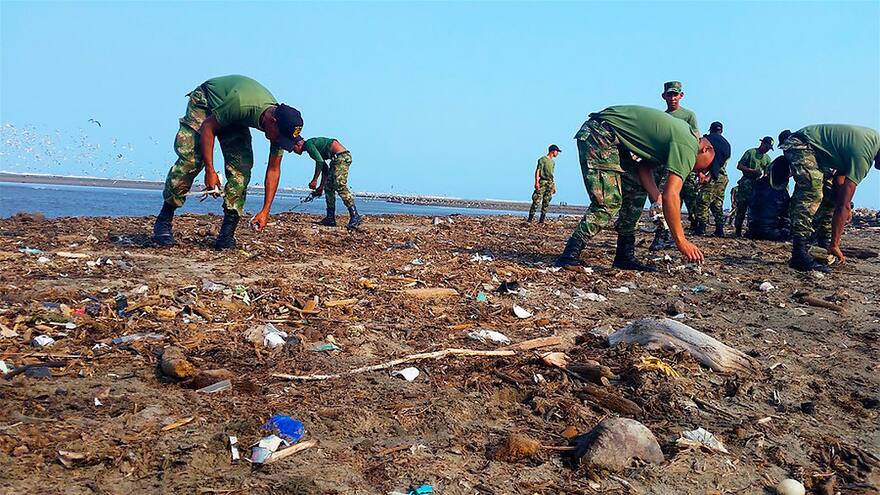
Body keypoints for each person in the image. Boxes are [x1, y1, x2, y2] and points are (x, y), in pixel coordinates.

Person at [554, 105, 715, 270]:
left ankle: (624, 255)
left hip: (616, 140)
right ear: (705, 149)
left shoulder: (677, 139)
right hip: (601, 133)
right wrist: (681, 241)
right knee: (608, 202)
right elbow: (671, 195)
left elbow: (643, 169)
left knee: (635, 192)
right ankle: (569, 254)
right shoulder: (689, 145)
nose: (697, 171)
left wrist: (656, 198)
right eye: (703, 168)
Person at [152, 75, 303, 249]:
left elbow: (274, 170)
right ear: (272, 122)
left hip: (234, 116)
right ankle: (163, 221)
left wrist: (265, 210)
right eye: (279, 136)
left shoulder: (282, 124)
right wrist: (210, 171)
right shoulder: (242, 104)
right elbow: (208, 127)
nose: (279, 141)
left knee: (241, 168)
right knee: (192, 161)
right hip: (207, 102)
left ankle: (226, 235)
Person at [779, 124, 880, 271]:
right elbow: (843, 206)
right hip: (802, 144)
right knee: (812, 192)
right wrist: (837, 242)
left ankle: (823, 244)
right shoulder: (864, 156)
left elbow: (839, 178)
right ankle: (798, 254)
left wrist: (845, 204)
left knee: (830, 192)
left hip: (817, 153)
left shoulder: (871, 143)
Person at [651, 81, 700, 249]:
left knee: (676, 199)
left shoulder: (688, 116)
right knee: (660, 200)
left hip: (678, 163)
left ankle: (674, 235)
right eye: (669, 94)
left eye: (675, 94)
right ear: (664, 96)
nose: (672, 98)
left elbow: (695, 140)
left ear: (681, 95)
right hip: (661, 164)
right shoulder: (662, 117)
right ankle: (662, 234)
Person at [292, 136, 362, 229]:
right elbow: (325, 169)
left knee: (339, 185)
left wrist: (314, 180)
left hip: (342, 157)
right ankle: (330, 218)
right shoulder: (311, 148)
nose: (294, 151)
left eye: (293, 148)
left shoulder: (309, 144)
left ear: (298, 144)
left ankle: (355, 215)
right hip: (335, 160)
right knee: (328, 188)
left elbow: (319, 161)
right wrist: (321, 187)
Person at [694, 121, 732, 236]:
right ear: (721, 131)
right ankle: (719, 229)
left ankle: (701, 228)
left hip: (710, 176)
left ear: (710, 129)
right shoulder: (726, 144)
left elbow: (700, 157)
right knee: (717, 203)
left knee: (703, 201)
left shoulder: (707, 140)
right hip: (722, 178)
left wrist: (702, 174)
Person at [733, 136, 774, 237]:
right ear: (762, 144)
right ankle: (738, 230)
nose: (767, 150)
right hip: (746, 183)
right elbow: (739, 166)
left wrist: (764, 176)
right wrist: (751, 170)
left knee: (755, 209)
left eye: (769, 149)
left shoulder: (767, 158)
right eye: (767, 147)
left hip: (757, 186)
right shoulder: (750, 153)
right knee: (742, 207)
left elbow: (768, 172)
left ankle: (751, 230)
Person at [745, 156, 791, 241]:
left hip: (752, 231)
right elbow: (786, 214)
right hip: (771, 232)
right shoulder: (781, 192)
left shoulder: (757, 184)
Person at [528, 145, 561, 223]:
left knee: (546, 201)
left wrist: (554, 186)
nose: (557, 153)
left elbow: (552, 175)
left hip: (550, 183)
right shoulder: (542, 159)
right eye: (557, 151)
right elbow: (537, 170)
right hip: (542, 182)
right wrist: (536, 182)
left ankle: (541, 220)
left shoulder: (553, 162)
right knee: (536, 200)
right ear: (553, 151)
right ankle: (530, 219)